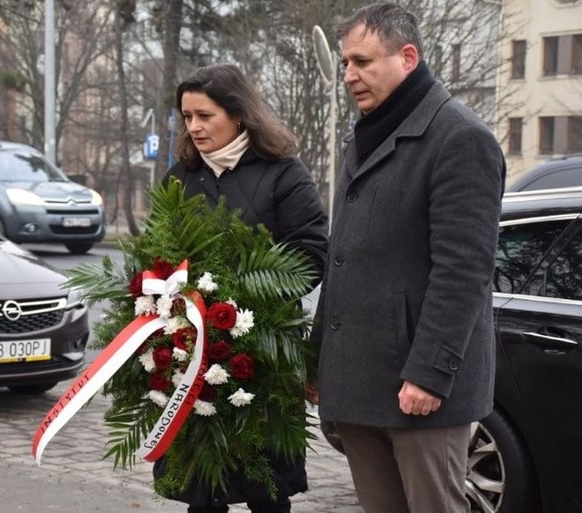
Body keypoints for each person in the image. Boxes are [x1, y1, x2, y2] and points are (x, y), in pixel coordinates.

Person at [313, 3, 505, 513]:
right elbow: (345, 258)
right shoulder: (366, 132)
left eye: (362, 61)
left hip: (419, 392)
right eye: (345, 63)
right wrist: (319, 362)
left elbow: (464, 270)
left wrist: (429, 374)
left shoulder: (460, 137)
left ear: (408, 57)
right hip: (360, 380)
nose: (349, 75)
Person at [158, 63, 330, 513]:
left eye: (205, 115)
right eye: (187, 116)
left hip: (264, 355)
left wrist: (241, 295)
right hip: (193, 355)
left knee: (266, 492)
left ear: (238, 114)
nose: (193, 127)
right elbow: (160, 254)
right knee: (202, 493)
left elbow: (312, 256)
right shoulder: (179, 176)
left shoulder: (284, 174)